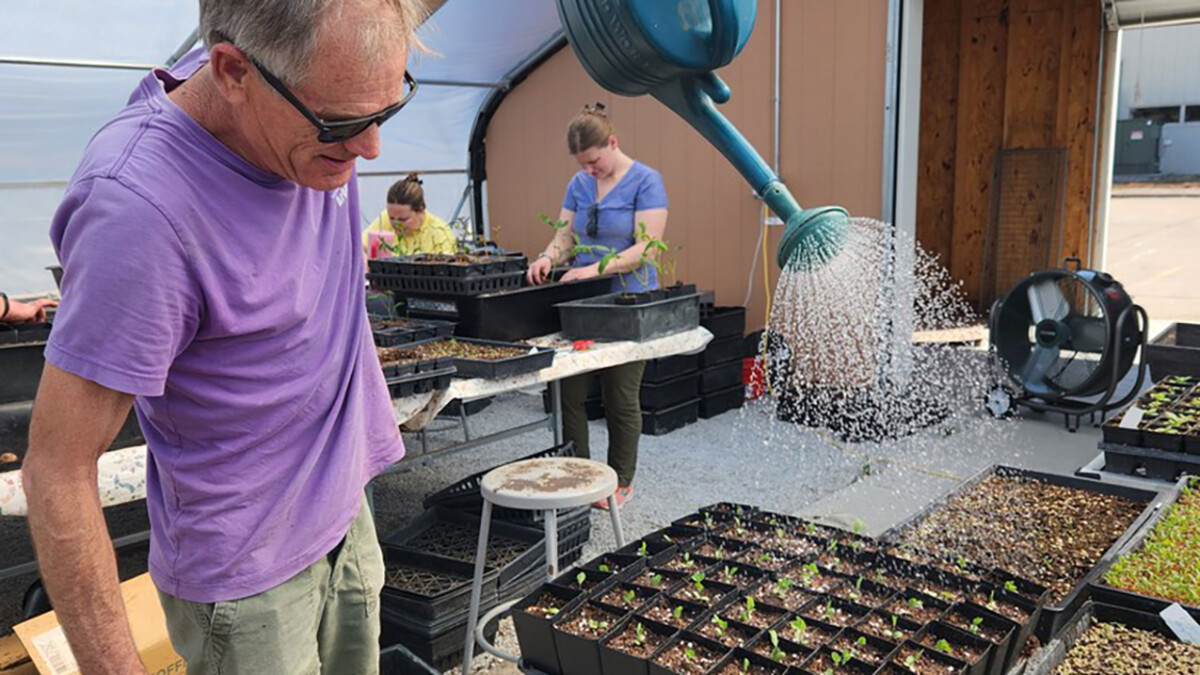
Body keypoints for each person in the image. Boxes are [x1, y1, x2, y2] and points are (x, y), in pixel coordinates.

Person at [22, 1, 426, 673]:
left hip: (342, 511)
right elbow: (56, 469)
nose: (371, 148)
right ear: (233, 72)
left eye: (387, 110)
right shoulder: (140, 213)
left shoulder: (292, 72)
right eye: (341, 123)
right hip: (249, 573)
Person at [526, 103, 669, 510]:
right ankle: (579, 475)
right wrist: (547, 258)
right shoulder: (579, 183)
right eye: (582, 164)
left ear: (613, 143)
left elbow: (647, 248)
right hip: (582, 303)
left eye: (594, 161)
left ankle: (620, 480)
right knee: (568, 393)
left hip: (628, 302)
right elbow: (564, 236)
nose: (589, 170)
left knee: (619, 396)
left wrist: (593, 269)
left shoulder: (646, 181)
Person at [361, 172, 456, 258]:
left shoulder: (439, 232)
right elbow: (360, 246)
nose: (396, 224)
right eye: (392, 218)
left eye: (403, 219)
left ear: (421, 211)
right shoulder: (385, 218)